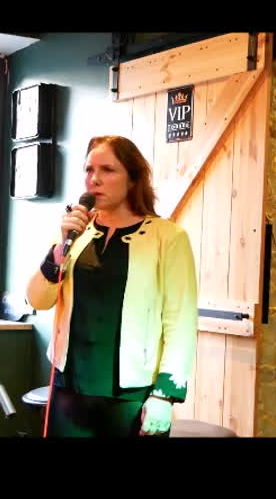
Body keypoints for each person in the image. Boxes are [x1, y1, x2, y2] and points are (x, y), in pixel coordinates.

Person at [26, 135, 198, 438]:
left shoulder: (168, 237)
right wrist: (58, 252)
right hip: (70, 388)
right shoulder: (75, 233)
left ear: (133, 179)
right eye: (89, 170)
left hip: (133, 395)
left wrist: (165, 394)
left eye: (107, 170)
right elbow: (38, 300)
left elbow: (180, 322)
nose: (94, 179)